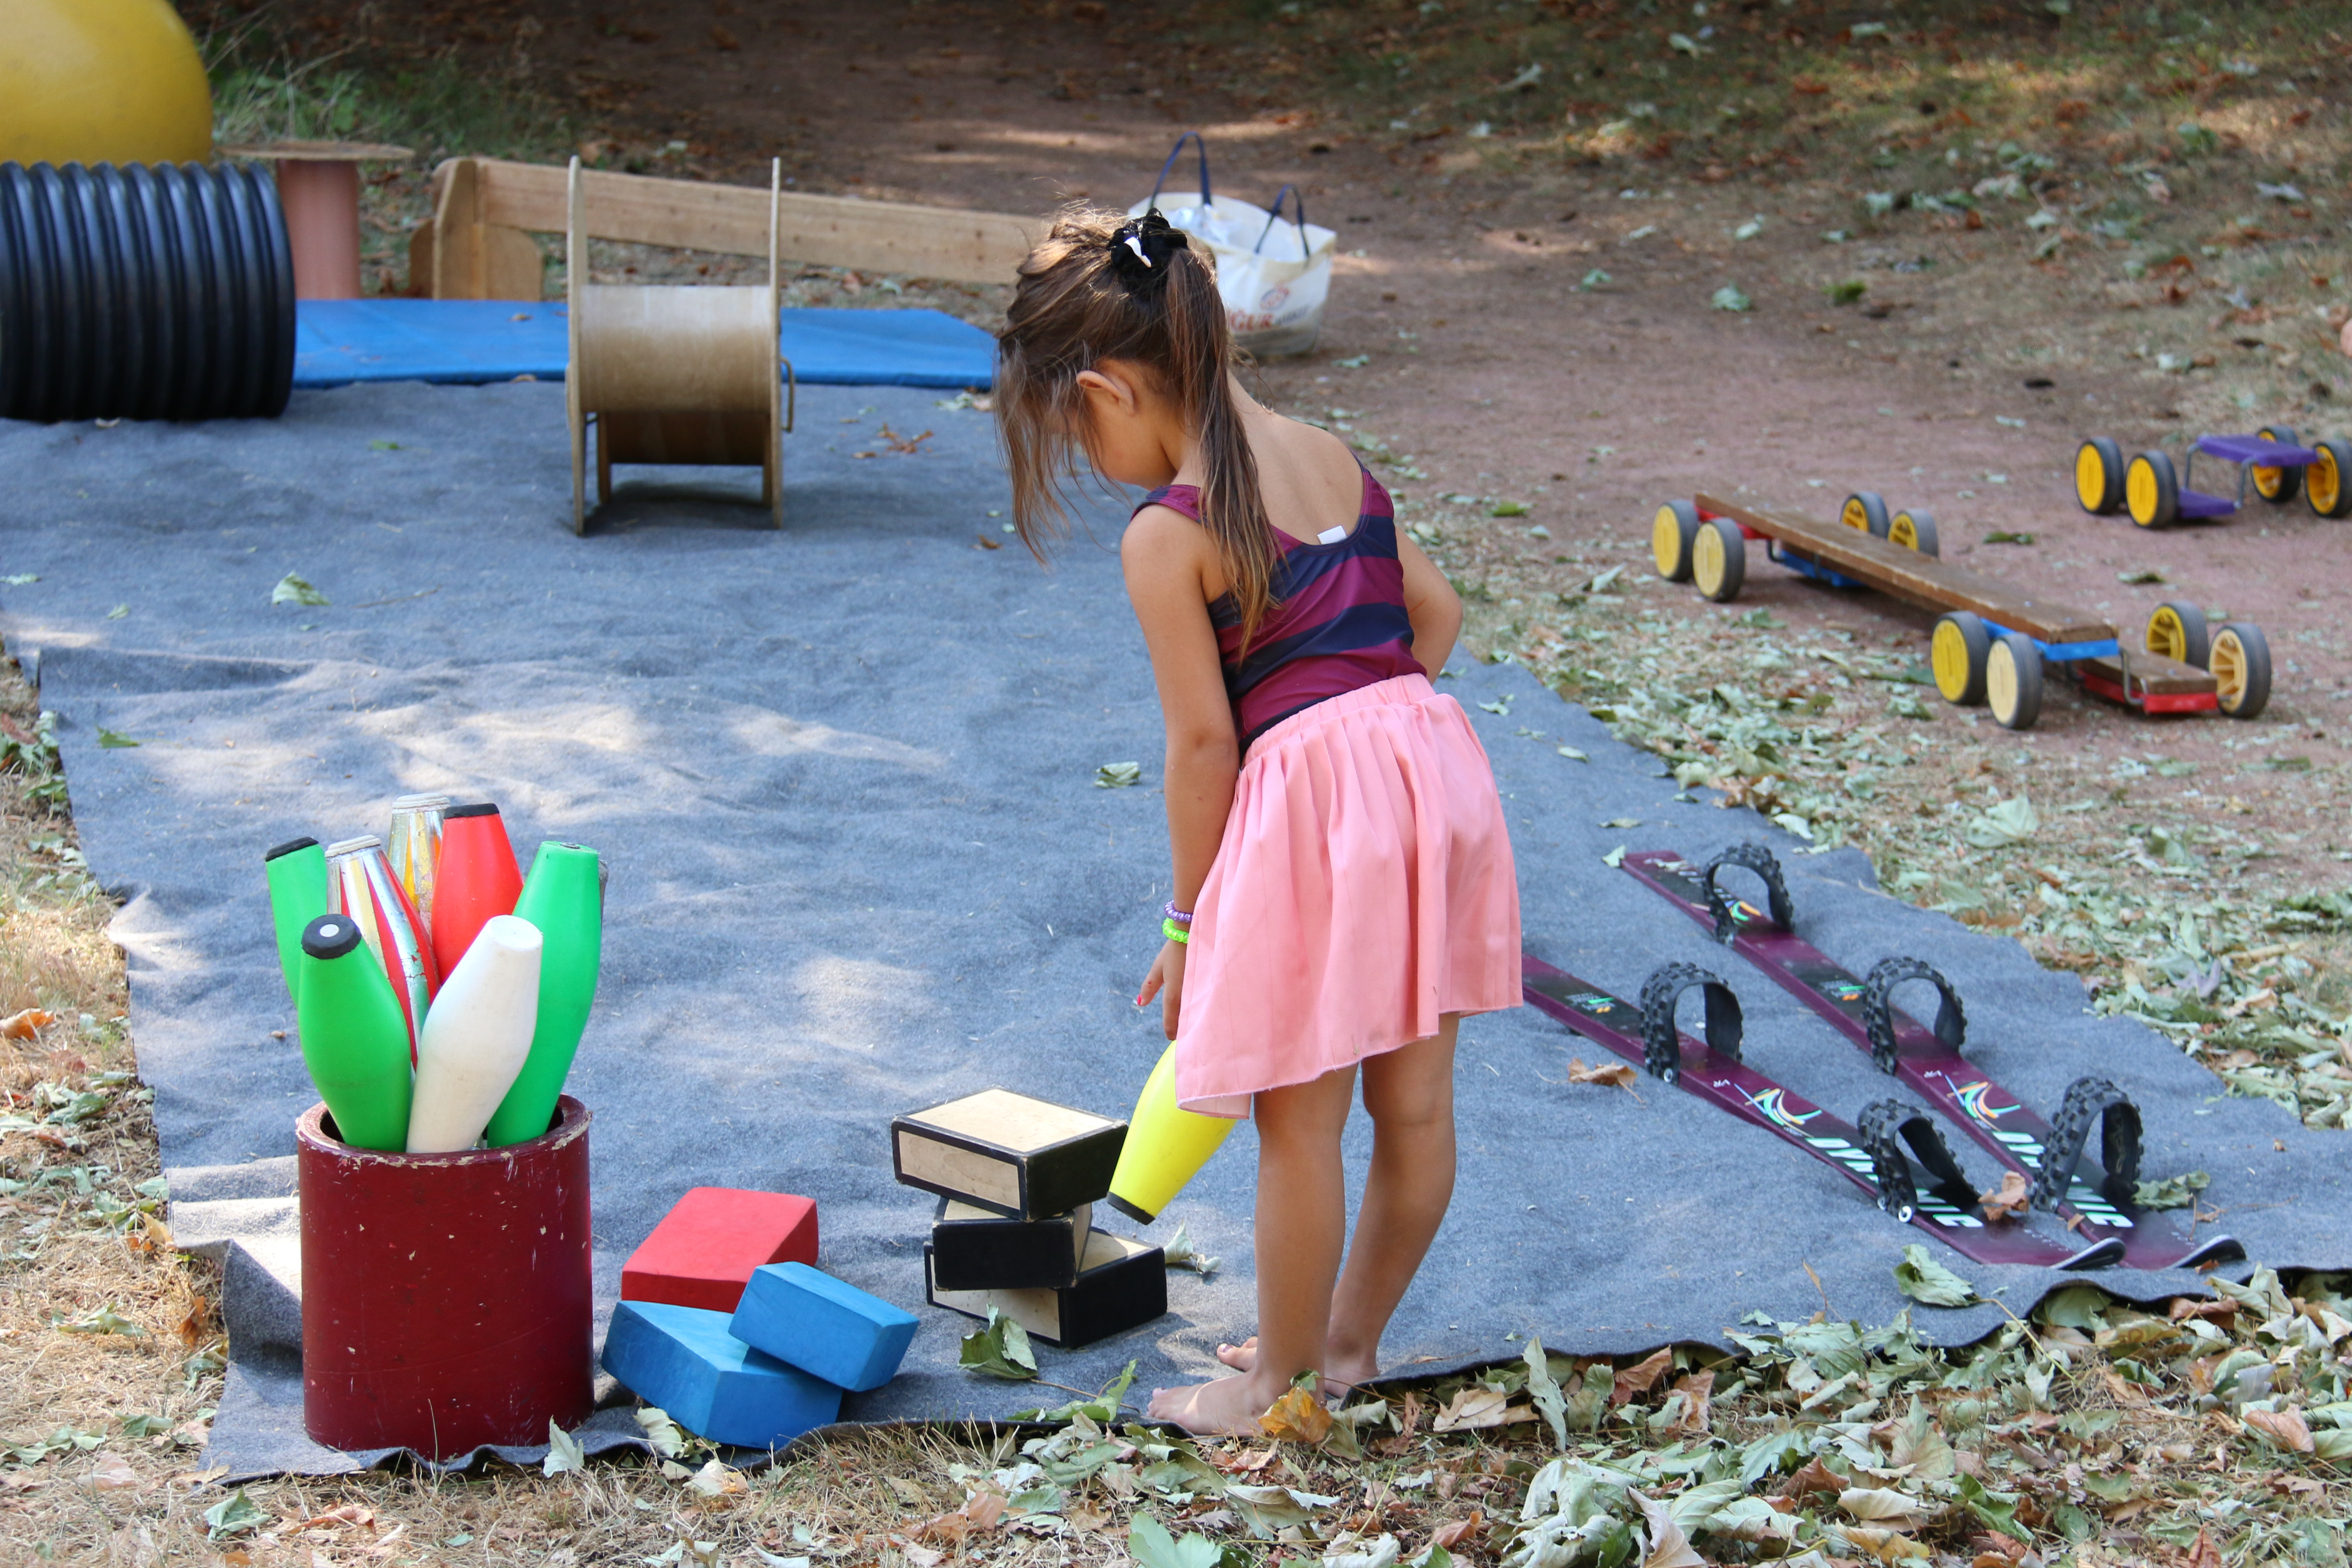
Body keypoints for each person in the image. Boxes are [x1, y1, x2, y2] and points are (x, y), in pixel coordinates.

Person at [995, 206, 1522, 1434]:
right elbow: (1430, 617)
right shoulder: (1329, 450)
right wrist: (1380, 749)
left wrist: (1192, 919)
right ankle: (1345, 1345)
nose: (1085, 452)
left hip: (1322, 808)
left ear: (1106, 388)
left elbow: (1202, 747)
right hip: (1436, 779)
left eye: (1072, 428)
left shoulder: (1170, 532)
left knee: (1300, 1120)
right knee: (1419, 1107)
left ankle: (1270, 1393)